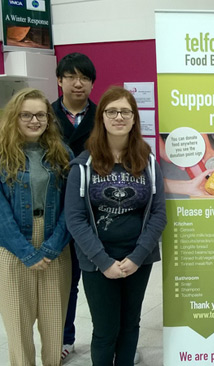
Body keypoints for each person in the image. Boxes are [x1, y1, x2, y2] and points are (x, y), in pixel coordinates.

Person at [65, 86, 166, 365]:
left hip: (138, 259)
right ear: (102, 118)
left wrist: (136, 257)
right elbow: (75, 218)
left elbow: (159, 215)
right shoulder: (83, 166)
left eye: (125, 111)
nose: (118, 117)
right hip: (98, 261)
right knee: (106, 330)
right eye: (111, 111)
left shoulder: (147, 162)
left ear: (134, 118)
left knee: (131, 325)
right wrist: (104, 262)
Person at [0, 88, 72, 365]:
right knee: (18, 327)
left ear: (49, 119)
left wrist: (53, 245)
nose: (35, 121)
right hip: (10, 247)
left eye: (41, 115)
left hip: (54, 243)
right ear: (14, 118)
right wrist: (27, 253)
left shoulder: (61, 152)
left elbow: (72, 208)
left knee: (54, 326)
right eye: (27, 115)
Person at [51, 52, 97, 360]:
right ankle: (64, 338)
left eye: (84, 78)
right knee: (64, 283)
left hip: (96, 209)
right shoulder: (46, 115)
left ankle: (108, 338)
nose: (77, 83)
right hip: (56, 206)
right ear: (60, 80)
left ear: (92, 83)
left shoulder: (103, 114)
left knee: (98, 278)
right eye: (71, 77)